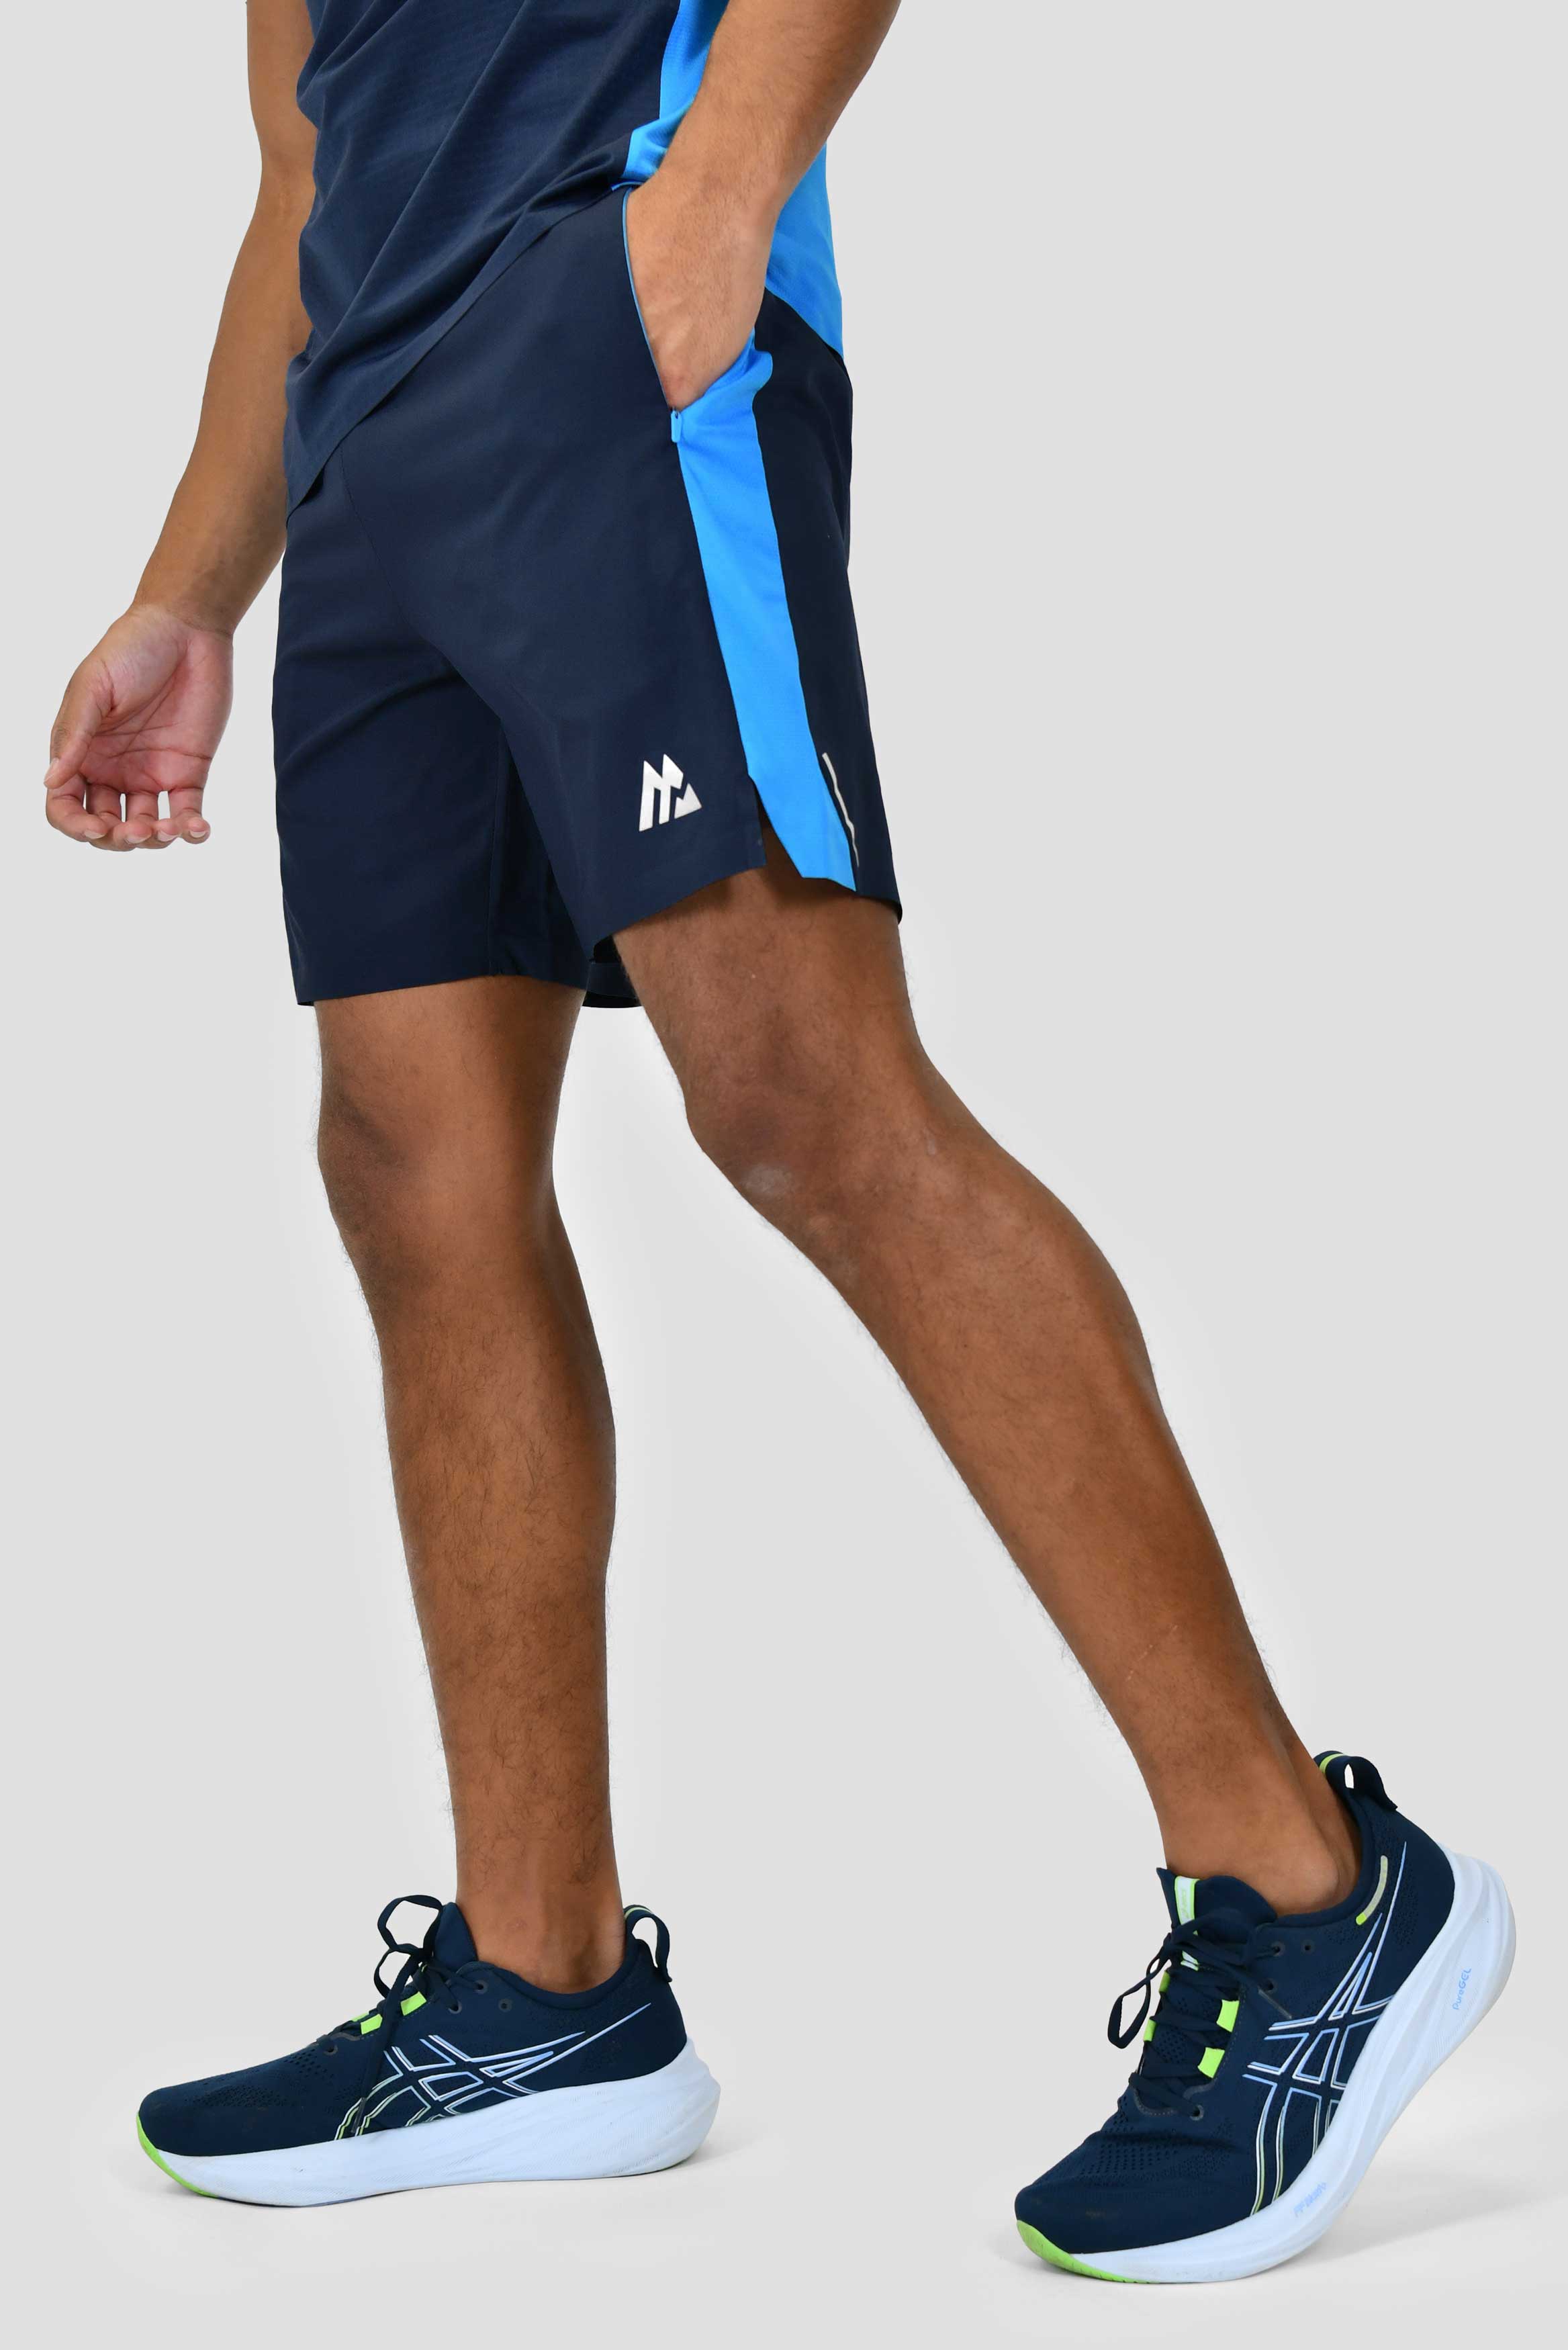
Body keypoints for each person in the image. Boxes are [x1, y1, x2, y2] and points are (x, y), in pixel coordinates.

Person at [46, 0, 1512, 2280]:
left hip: (607, 346)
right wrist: (189, 588)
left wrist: (716, 195)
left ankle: (1311, 1887)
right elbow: (302, 168)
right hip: (374, 455)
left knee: (802, 1093)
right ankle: (542, 1989)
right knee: (411, 1162)